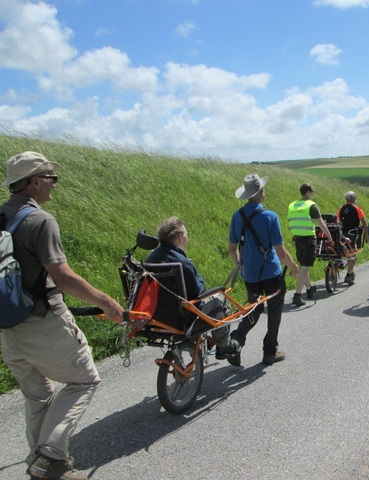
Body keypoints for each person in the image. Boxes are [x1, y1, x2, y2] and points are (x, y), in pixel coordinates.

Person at [0, 151, 124, 480]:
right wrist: (107, 303)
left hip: (9, 327)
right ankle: (51, 457)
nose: (55, 183)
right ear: (33, 182)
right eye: (50, 177)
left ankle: (42, 464)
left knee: (38, 394)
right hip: (44, 323)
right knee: (84, 379)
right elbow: (64, 278)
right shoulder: (40, 221)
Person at [145, 217, 239, 361]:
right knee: (222, 299)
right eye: (186, 235)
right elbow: (197, 293)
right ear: (179, 237)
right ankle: (223, 345)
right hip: (182, 317)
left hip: (156, 315)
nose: (187, 238)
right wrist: (199, 278)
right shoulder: (183, 264)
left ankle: (205, 341)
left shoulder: (150, 259)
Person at [228, 173, 299, 366]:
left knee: (254, 308)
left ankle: (236, 340)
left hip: (249, 274)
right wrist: (293, 267)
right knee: (274, 312)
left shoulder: (237, 216)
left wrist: (240, 267)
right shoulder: (270, 216)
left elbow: (232, 249)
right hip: (271, 274)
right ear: (261, 193)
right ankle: (270, 352)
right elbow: (281, 252)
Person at [287, 182, 333, 306]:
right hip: (308, 239)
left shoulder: (292, 205)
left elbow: (292, 221)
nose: (314, 194)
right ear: (307, 192)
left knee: (303, 265)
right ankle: (297, 295)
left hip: (297, 238)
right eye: (313, 191)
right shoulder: (311, 205)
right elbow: (321, 224)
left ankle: (309, 289)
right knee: (305, 267)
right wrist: (329, 236)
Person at [337, 191, 367, 285]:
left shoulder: (341, 208)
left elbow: (338, 223)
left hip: (343, 233)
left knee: (345, 253)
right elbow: (364, 222)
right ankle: (349, 275)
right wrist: (366, 233)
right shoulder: (357, 209)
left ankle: (349, 270)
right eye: (355, 196)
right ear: (352, 198)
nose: (356, 197)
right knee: (353, 255)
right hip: (353, 234)